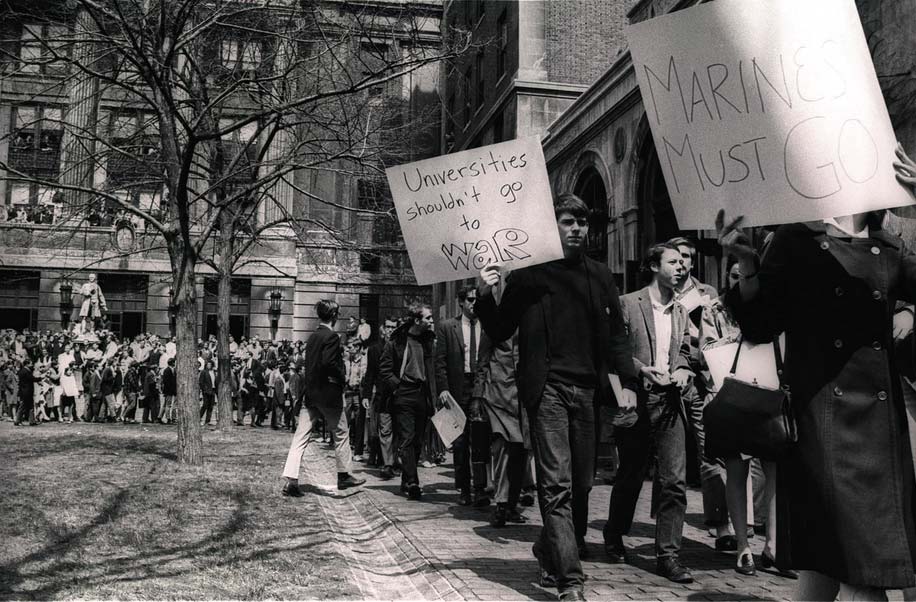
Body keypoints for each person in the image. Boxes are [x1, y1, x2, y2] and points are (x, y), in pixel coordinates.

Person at [714, 143, 916, 601]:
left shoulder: (891, 246)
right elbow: (761, 325)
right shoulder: (796, 239)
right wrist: (747, 264)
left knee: (831, 568)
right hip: (823, 419)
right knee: (856, 569)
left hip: (879, 432)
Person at [476, 193, 638, 602]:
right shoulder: (530, 275)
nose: (578, 229)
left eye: (582, 222)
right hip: (546, 389)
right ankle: (571, 580)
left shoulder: (600, 275)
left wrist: (628, 385)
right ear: (553, 227)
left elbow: (617, 336)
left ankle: (548, 547)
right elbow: (498, 328)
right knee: (556, 485)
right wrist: (483, 293)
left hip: (587, 391)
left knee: (582, 484)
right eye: (568, 221)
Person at [603, 243, 694, 583]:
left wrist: (684, 370)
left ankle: (668, 556)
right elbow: (617, 351)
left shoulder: (681, 310)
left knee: (675, 481)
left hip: (671, 403)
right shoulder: (629, 303)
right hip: (637, 401)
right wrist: (642, 370)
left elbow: (685, 352)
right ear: (654, 266)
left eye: (684, 262)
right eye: (673, 262)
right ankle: (613, 534)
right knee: (631, 475)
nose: (681, 267)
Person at [667, 236, 731, 548]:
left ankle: (720, 523)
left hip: (703, 378)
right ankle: (666, 525)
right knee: (670, 456)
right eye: (677, 256)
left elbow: (723, 335)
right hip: (670, 379)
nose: (683, 263)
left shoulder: (707, 293)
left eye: (688, 257)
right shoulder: (659, 293)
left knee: (710, 452)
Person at [281, 300, 365, 496]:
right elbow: (329, 363)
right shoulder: (332, 336)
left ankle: (291, 480)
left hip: (311, 395)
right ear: (334, 316)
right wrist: (341, 375)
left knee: (300, 438)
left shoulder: (313, 337)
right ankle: (344, 475)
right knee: (342, 433)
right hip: (328, 395)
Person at [435, 285, 490, 507]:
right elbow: (440, 362)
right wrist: (443, 389)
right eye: (469, 300)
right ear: (460, 302)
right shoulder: (448, 327)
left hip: (480, 388)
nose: (473, 303)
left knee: (480, 440)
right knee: (459, 442)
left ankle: (481, 489)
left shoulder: (486, 327)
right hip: (457, 389)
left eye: (476, 299)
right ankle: (464, 489)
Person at [379, 303, 437, 501]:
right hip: (404, 394)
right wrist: (397, 387)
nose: (431, 321)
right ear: (417, 320)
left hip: (422, 394)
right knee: (407, 437)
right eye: (428, 318)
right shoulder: (397, 341)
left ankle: (406, 478)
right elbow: (385, 369)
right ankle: (413, 481)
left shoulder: (429, 340)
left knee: (419, 439)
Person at [474, 328, 529, 527]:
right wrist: (478, 395)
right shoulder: (496, 322)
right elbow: (482, 361)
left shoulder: (531, 317)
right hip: (498, 394)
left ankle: (512, 504)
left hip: (524, 396)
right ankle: (502, 504)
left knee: (521, 450)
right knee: (502, 448)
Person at [362, 317, 399, 478]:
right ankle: (387, 464)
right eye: (388, 327)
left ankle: (395, 461)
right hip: (382, 396)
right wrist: (366, 395)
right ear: (383, 329)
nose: (390, 330)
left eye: (393, 327)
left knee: (398, 430)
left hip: (399, 394)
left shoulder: (401, 346)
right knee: (385, 430)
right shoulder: (375, 349)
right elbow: (370, 373)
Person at [199, 360, 216, 426]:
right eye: (208, 364)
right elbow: (201, 382)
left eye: (210, 364)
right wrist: (204, 389)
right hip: (206, 391)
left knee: (211, 406)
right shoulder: (204, 372)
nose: (209, 366)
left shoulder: (213, 372)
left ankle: (208, 420)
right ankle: (199, 417)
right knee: (205, 405)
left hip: (213, 390)